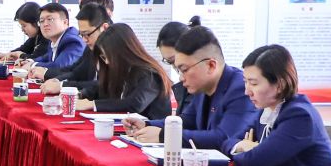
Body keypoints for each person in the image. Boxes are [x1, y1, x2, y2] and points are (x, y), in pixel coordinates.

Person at [124, 24, 256, 153]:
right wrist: (147, 125)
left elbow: (224, 138)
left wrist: (166, 135)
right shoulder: (202, 87)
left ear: (211, 66)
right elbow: (187, 120)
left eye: (185, 70)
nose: (181, 78)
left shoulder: (240, 88)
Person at [229, 44, 331, 166]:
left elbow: (255, 161)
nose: (247, 91)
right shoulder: (266, 110)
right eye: (245, 82)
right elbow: (228, 141)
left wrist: (253, 150)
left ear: (280, 85)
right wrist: (241, 146)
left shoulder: (299, 115)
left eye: (254, 84)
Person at [72, 23, 170, 118]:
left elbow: (135, 103)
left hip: (151, 127)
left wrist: (92, 104)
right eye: (103, 57)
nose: (106, 62)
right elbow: (100, 87)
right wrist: (80, 95)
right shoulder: (124, 70)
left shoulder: (150, 74)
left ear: (123, 52)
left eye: (108, 56)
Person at [39, 3, 109, 89]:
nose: (84, 40)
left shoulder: (117, 50)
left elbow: (104, 85)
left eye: (87, 34)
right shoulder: (90, 48)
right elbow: (76, 72)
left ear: (104, 28)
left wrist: (61, 85)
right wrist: (56, 80)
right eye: (82, 34)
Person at [17, 2, 82, 75]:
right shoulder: (54, 40)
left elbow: (59, 66)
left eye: (50, 19)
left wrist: (32, 65)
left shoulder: (73, 41)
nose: (45, 24)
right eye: (41, 21)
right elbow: (46, 57)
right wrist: (30, 61)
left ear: (65, 22)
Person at [155, 20, 191, 116]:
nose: (175, 66)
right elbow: (185, 120)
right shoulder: (181, 88)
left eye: (174, 59)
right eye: (169, 62)